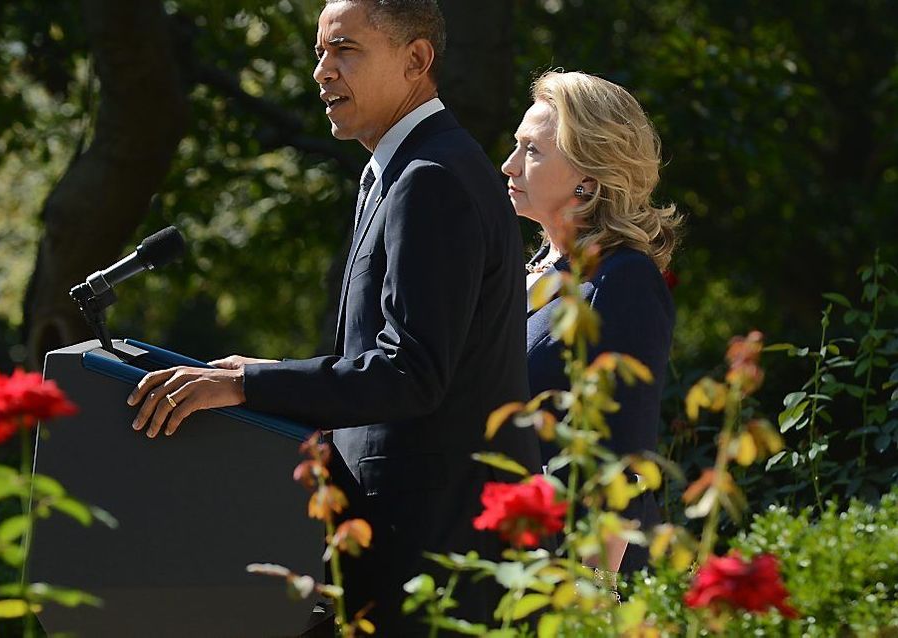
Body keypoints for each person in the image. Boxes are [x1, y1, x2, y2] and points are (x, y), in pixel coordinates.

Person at [128, 0, 540, 631]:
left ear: (416, 61)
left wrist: (243, 385)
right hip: (388, 548)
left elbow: (411, 374)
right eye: (319, 51)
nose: (322, 71)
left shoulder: (432, 179)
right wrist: (266, 373)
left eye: (345, 49)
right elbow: (383, 361)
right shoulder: (401, 171)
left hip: (424, 559)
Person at [501, 70, 682, 574]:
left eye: (532, 151)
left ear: (588, 181)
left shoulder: (626, 280)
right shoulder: (524, 274)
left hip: (576, 576)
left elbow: (621, 461)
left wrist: (591, 598)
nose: (509, 165)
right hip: (510, 560)